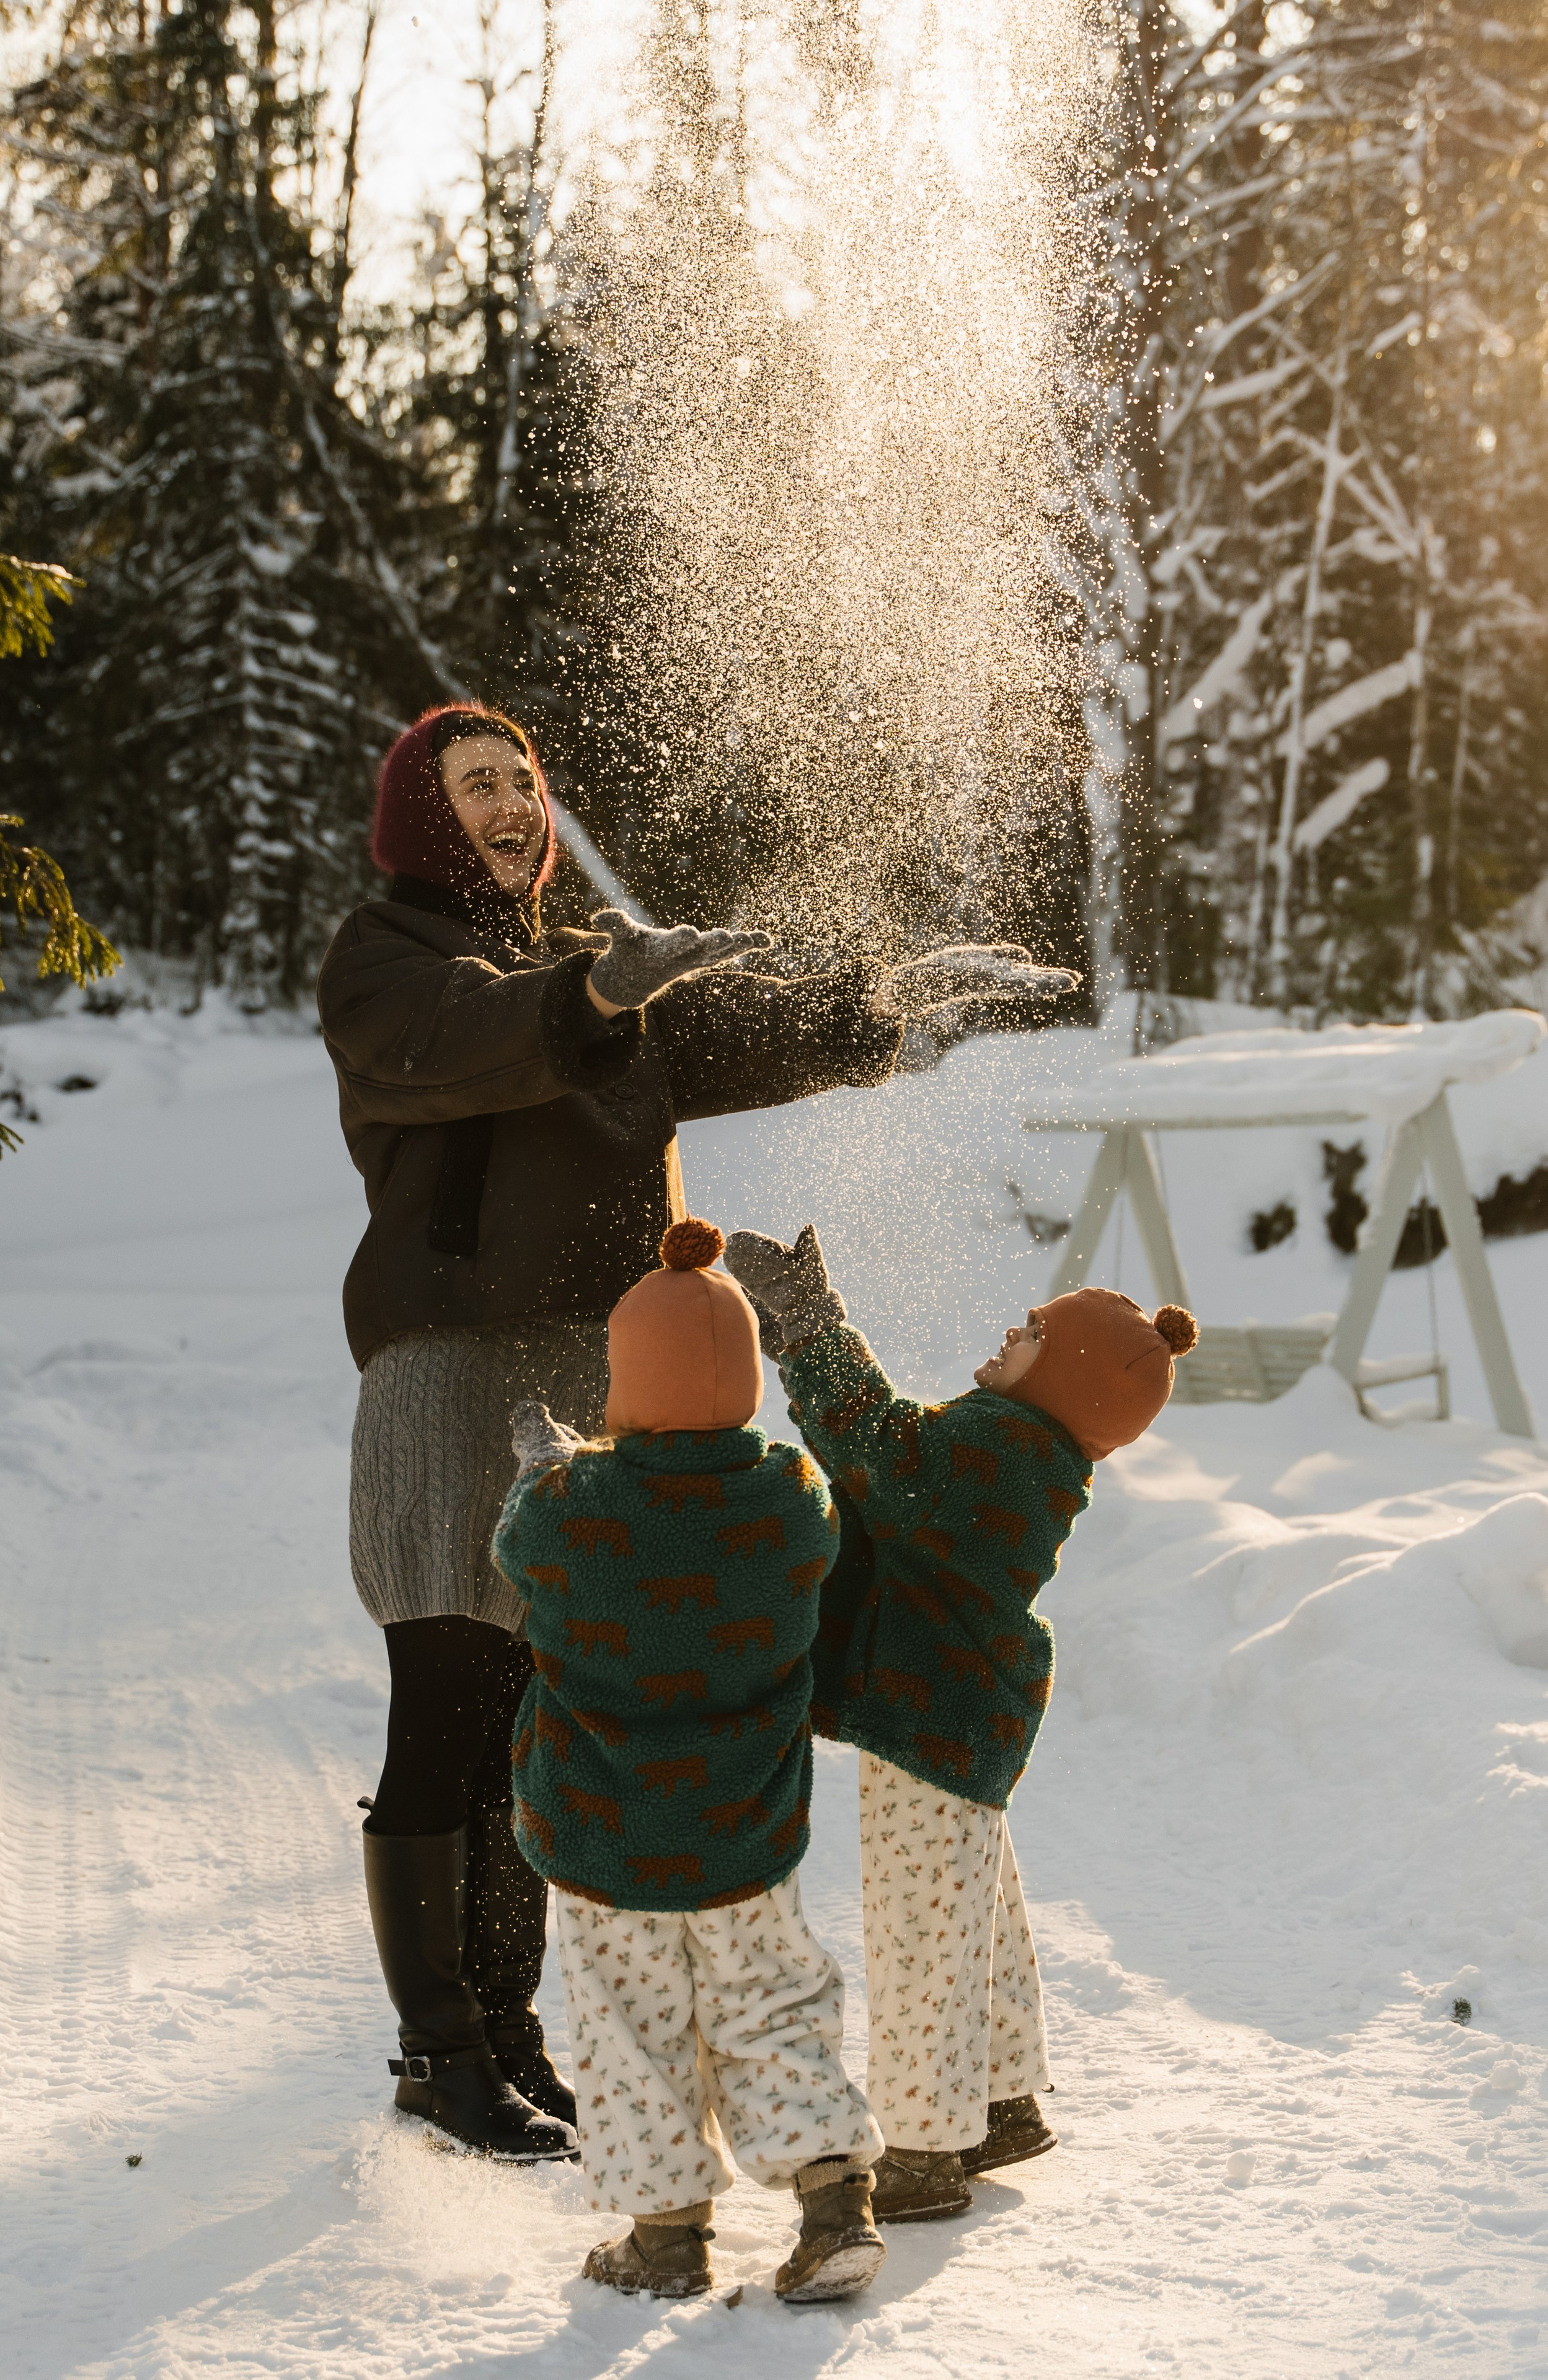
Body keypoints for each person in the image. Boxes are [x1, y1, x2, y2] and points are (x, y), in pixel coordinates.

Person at [316, 700, 1073, 2160]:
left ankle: (515, 2028)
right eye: (475, 785)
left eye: (523, 778)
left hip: (594, 1363)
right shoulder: (387, 962)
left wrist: (886, 1010)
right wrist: (595, 995)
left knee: (542, 1709)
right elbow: (466, 1043)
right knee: (449, 1709)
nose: (509, 802)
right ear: (423, 815)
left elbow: (712, 1035)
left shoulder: (569, 962)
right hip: (450, 1368)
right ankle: (438, 2051)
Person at [722, 1223, 1198, 2223]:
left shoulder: (1003, 1451)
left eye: (1032, 1331)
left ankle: (930, 2149)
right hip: (957, 1716)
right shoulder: (1014, 1447)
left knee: (920, 1930)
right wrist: (806, 1338)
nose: (1010, 1333)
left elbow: (885, 1451)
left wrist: (814, 1325)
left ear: (1066, 1376)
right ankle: (1003, 2094)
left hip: (935, 1720)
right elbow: (886, 1461)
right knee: (975, 1901)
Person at [493, 1218, 887, 2306]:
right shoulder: (790, 1498)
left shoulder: (575, 1510)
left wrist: (549, 1466)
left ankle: (665, 2238)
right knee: (770, 2001)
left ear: (625, 1386)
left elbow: (520, 1545)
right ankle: (833, 2204)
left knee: (628, 2025)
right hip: (743, 1831)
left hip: (603, 1832)